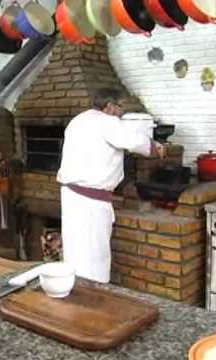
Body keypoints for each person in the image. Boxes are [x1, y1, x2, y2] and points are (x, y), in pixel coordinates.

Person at [57, 88, 165, 283]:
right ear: (109, 106)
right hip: (90, 203)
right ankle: (94, 302)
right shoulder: (106, 121)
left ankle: (76, 297)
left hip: (71, 196)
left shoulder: (78, 120)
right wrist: (154, 146)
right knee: (94, 258)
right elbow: (135, 141)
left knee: (75, 252)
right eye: (120, 107)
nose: (121, 112)